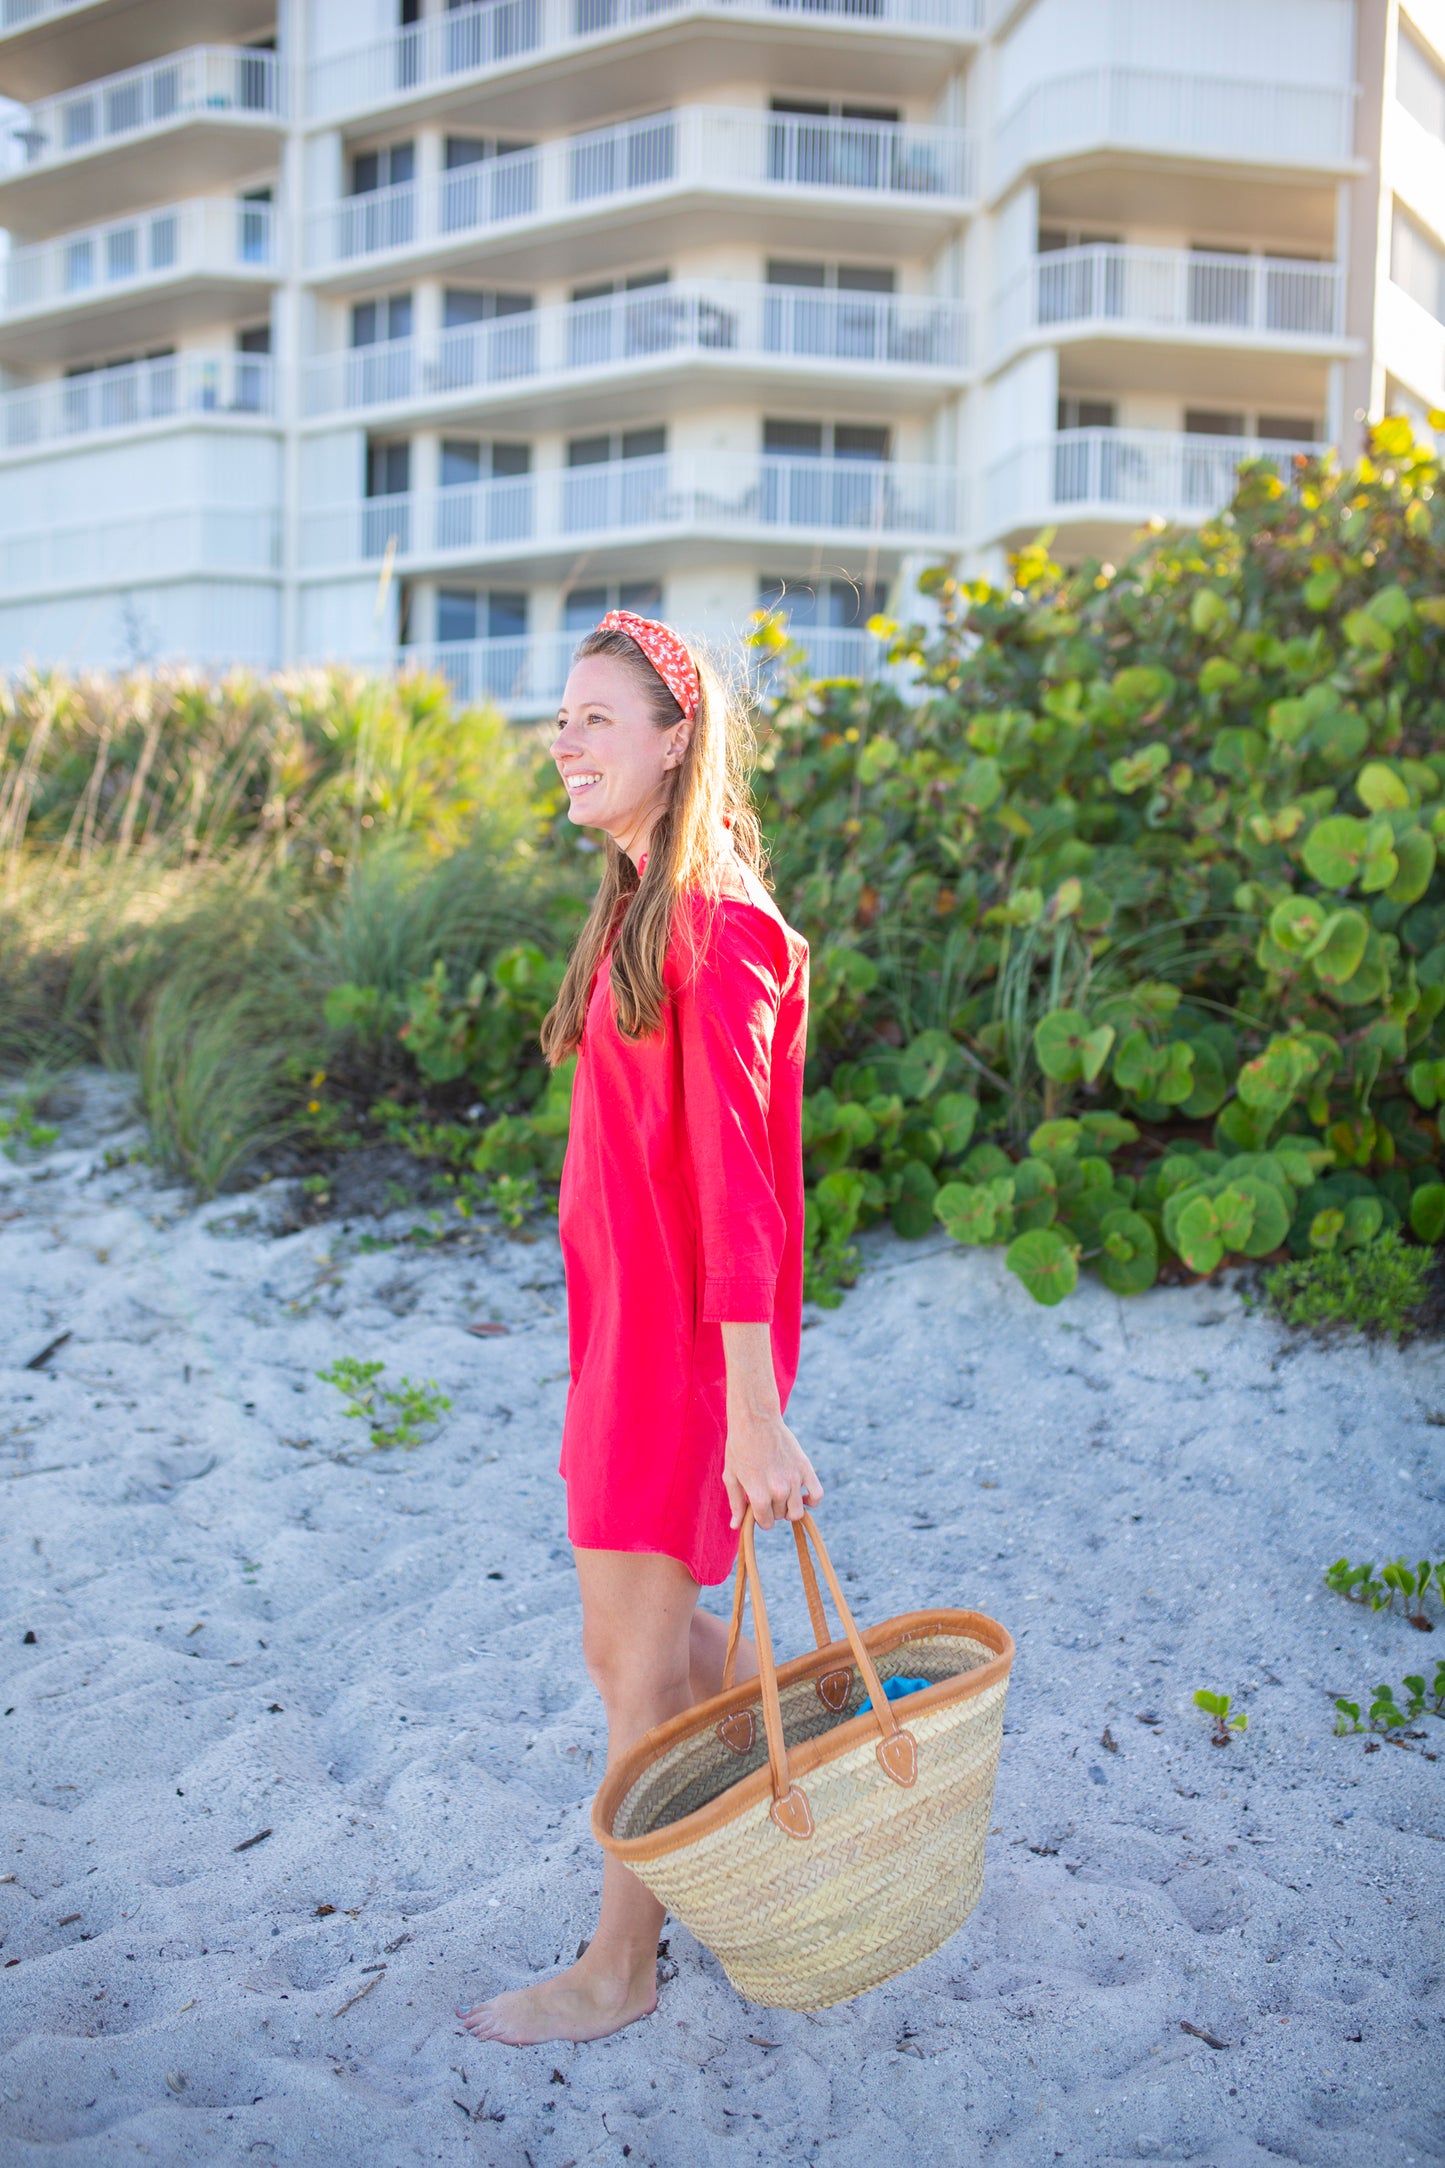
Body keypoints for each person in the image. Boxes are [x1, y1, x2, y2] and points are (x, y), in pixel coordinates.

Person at [457, 611, 819, 2048]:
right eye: (562, 719)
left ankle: (619, 1970)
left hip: (683, 1363)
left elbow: (741, 1200)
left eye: (596, 719)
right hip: (625, 1347)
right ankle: (834, 1740)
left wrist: (752, 1414)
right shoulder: (637, 908)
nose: (565, 742)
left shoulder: (718, 928)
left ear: (676, 742)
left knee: (633, 1672)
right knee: (635, 1655)